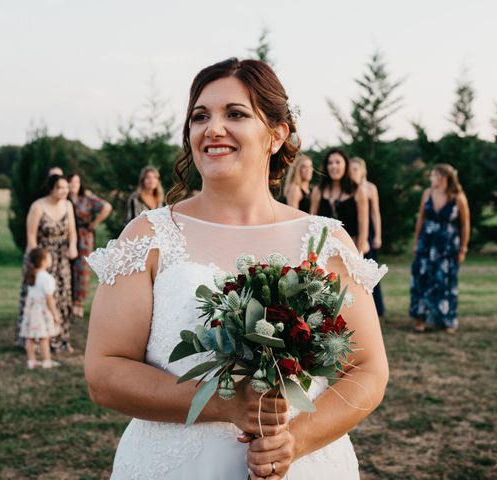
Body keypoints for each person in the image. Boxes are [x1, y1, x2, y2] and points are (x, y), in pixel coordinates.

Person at [84, 58, 388, 479]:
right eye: (200, 116)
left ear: (277, 134)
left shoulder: (325, 241)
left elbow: (369, 368)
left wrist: (296, 441)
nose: (213, 129)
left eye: (236, 114)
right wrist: (223, 402)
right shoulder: (148, 236)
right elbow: (104, 372)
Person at [16, 175, 77, 352]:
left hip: (61, 259)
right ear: (51, 189)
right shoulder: (38, 206)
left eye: (66, 187)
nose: (65, 191)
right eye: (60, 188)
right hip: (42, 257)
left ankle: (61, 339)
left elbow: (72, 231)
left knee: (62, 298)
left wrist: (73, 247)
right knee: (40, 298)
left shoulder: (68, 205)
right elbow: (31, 236)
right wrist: (37, 264)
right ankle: (35, 341)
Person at [410, 164, 470, 334]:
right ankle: (420, 318)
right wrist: (416, 242)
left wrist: (463, 249)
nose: (431, 179)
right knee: (421, 278)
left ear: (444, 177)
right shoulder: (427, 194)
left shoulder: (458, 197)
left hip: (447, 246)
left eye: (434, 175)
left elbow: (465, 225)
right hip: (426, 244)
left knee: (446, 281)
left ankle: (447, 319)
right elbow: (420, 219)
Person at [67, 173, 112, 319]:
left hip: (84, 235)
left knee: (82, 269)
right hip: (66, 236)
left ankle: (78, 303)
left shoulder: (86, 199)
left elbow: (106, 206)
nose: (73, 185)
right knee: (67, 268)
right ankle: (67, 300)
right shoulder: (63, 199)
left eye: (77, 182)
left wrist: (95, 223)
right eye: (71, 182)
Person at [310, 149, 369, 255]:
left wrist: (358, 255)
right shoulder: (318, 191)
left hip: (350, 249)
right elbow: (311, 223)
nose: (334, 166)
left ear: (346, 165)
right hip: (323, 251)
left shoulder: (358, 191)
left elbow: (363, 227)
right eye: (330, 163)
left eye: (338, 162)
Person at [348, 157, 385, 316]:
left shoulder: (370, 188)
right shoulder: (348, 189)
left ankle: (376, 307)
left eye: (356, 169)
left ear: (363, 171)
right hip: (352, 231)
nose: (352, 172)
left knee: (369, 270)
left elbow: (375, 213)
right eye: (350, 169)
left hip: (366, 233)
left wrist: (377, 235)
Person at [21, 247, 61, 369]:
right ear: (43, 261)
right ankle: (46, 361)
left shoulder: (31, 275)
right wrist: (55, 314)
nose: (51, 260)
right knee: (44, 337)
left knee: (30, 337)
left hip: (30, 311)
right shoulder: (46, 278)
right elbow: (49, 299)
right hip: (41, 312)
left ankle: (31, 361)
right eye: (49, 258)